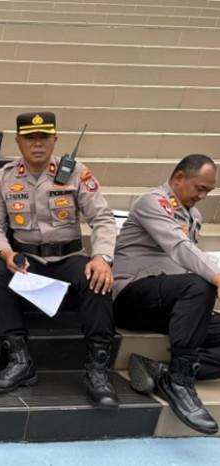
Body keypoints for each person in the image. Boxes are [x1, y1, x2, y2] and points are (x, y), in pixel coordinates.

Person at [0, 112, 119, 408]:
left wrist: (102, 257)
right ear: (18, 141)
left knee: (97, 277)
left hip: (68, 257)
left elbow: (103, 218)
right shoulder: (3, 178)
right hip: (27, 258)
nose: (37, 144)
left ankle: (97, 370)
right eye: (30, 138)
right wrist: (6, 253)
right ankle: (20, 360)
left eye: (43, 137)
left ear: (55, 140)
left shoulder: (77, 173)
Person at [113, 154, 220, 434]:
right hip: (133, 296)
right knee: (200, 284)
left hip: (172, 303)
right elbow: (180, 248)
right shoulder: (153, 202)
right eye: (200, 188)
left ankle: (162, 371)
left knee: (198, 285)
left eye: (208, 191)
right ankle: (181, 381)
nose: (203, 196)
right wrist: (216, 277)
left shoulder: (193, 216)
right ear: (179, 178)